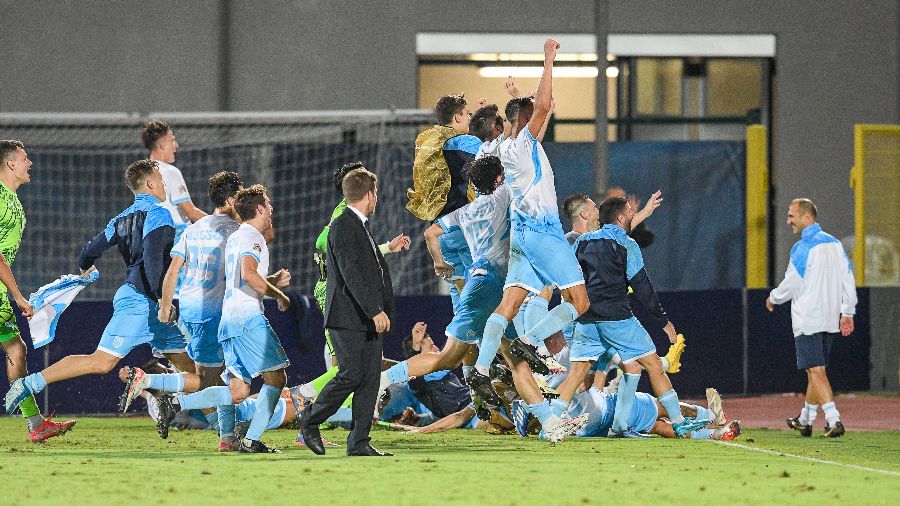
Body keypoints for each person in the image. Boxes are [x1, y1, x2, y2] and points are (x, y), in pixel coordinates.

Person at [463, 40, 594, 443]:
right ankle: (529, 342)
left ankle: (482, 369)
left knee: (511, 302)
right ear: (527, 120)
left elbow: (532, 110)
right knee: (580, 303)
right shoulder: (522, 144)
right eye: (541, 112)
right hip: (543, 233)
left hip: (522, 233)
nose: (548, 111)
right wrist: (549, 60)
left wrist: (513, 96)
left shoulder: (505, 147)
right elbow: (542, 106)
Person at [5, 160, 195, 417]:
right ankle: (30, 384)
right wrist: (164, 300)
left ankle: (212, 423)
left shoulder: (120, 219)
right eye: (161, 180)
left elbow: (88, 252)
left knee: (191, 372)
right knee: (102, 362)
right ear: (150, 184)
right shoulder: (161, 214)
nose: (164, 185)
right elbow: (151, 262)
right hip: (142, 302)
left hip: (147, 301)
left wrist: (87, 269)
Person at [555, 196, 707, 438]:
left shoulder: (582, 242)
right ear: (621, 216)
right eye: (630, 211)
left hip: (586, 321)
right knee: (654, 365)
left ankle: (551, 422)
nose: (632, 213)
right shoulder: (627, 245)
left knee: (578, 374)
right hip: (618, 320)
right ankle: (678, 421)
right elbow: (643, 288)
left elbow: (568, 279)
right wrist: (663, 321)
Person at [155, 185, 292, 453]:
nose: (272, 208)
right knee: (277, 379)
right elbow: (249, 274)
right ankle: (252, 439)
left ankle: (176, 404)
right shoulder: (251, 235)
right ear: (260, 209)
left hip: (227, 320)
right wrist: (279, 295)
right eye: (268, 203)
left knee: (238, 390)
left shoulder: (235, 236)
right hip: (247, 318)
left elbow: (241, 277)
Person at [117, 171, 245, 451]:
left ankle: (227, 437)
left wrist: (165, 305)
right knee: (219, 379)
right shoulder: (236, 232)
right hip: (216, 313)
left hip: (188, 311)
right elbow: (239, 276)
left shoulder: (192, 228)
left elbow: (173, 270)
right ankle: (157, 387)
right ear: (232, 199)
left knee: (214, 378)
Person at [299, 167, 397, 457]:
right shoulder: (342, 225)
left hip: (364, 318)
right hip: (348, 316)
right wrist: (374, 310)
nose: (377, 198)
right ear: (369, 194)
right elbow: (351, 273)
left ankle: (359, 443)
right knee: (351, 374)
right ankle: (310, 420)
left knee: (370, 379)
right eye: (376, 193)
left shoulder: (359, 225)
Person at [0, 140, 75, 442]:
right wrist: (17, 295)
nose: (29, 163)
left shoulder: (13, 200)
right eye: (24, 158)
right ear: (10, 165)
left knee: (16, 349)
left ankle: (35, 423)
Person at [767, 198, 856, 438]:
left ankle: (833, 419)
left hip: (808, 318)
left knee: (816, 371)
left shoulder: (803, 248)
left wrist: (774, 297)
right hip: (829, 318)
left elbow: (792, 283)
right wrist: (848, 311)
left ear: (807, 218)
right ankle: (805, 420)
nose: (788, 221)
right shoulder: (835, 244)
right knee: (814, 371)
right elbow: (848, 278)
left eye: (791, 216)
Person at [315, 161, 410, 368]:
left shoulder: (355, 216)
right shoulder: (343, 212)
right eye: (361, 175)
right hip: (336, 288)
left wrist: (387, 248)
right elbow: (322, 242)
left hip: (344, 287)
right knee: (344, 364)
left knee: (358, 361)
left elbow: (357, 253)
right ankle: (309, 394)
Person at [407, 94, 483, 309]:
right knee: (480, 294)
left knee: (459, 302)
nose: (470, 119)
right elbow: (491, 157)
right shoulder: (467, 142)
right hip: (463, 226)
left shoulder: (428, 141)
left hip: (439, 231)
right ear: (458, 117)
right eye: (468, 115)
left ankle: (458, 342)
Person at [142, 120, 206, 242]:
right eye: (172, 140)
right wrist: (218, 223)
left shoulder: (142, 173)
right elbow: (190, 212)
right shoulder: (170, 172)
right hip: (176, 242)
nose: (176, 145)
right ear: (162, 144)